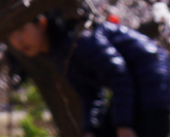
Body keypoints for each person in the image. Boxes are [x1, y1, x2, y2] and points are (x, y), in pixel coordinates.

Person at [9, 14, 170, 137]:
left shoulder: (79, 39)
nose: (18, 40)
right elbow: (89, 93)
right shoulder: (60, 51)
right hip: (136, 84)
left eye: (21, 30)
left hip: (153, 80)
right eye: (11, 36)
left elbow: (119, 74)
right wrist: (90, 130)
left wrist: (123, 125)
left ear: (42, 23)